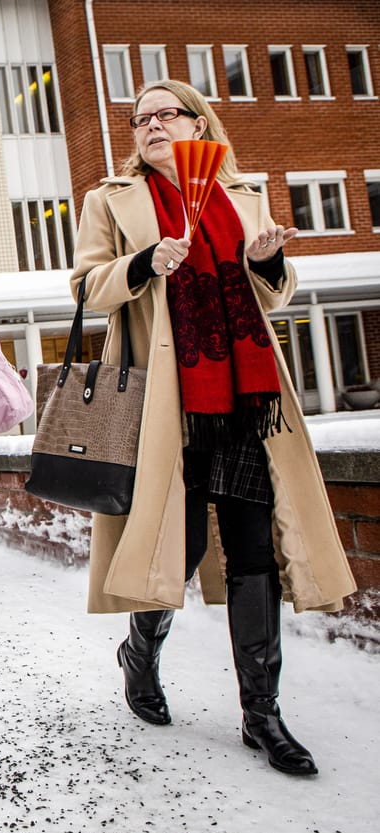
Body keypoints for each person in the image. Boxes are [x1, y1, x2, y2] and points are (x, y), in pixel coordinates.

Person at [72, 79, 356, 775]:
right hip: (165, 405)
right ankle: (140, 654)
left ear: (200, 123)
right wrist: (144, 263)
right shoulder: (110, 199)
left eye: (165, 114)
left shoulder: (242, 194)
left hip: (246, 399)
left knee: (254, 551)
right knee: (178, 542)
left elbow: (274, 293)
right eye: (139, 119)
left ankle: (263, 715)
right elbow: (84, 286)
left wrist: (267, 262)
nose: (149, 126)